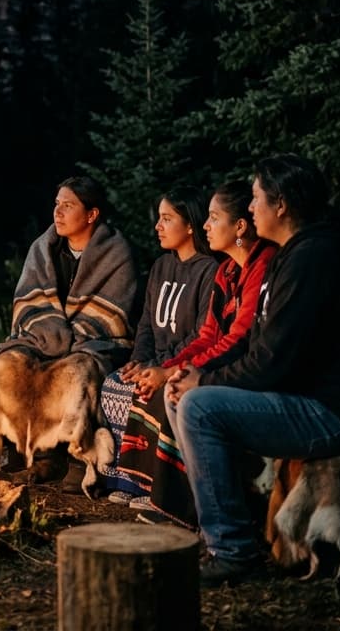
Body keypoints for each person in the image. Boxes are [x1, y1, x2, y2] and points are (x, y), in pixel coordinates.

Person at [167, 154, 340, 587]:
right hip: (310, 396)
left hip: (339, 411)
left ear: (281, 205)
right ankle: (226, 528)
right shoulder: (293, 255)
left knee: (199, 409)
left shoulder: (314, 259)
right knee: (184, 396)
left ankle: (233, 550)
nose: (250, 208)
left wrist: (205, 382)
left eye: (257, 198)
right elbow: (252, 344)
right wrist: (192, 371)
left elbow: (273, 361)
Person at [110, 180, 275, 526]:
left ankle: (183, 507)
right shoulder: (228, 271)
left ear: (240, 226)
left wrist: (172, 373)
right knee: (159, 385)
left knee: (180, 394)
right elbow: (207, 336)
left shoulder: (260, 267)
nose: (206, 226)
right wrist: (163, 368)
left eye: (214, 218)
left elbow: (239, 339)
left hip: (251, 372)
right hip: (222, 364)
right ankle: (155, 492)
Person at [0, 175, 138, 488]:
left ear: (91, 214)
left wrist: (71, 340)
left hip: (95, 340)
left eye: (68, 206)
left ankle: (77, 455)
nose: (57, 212)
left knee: (78, 370)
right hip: (44, 336)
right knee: (7, 364)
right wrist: (51, 335)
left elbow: (113, 312)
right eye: (56, 204)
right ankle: (18, 448)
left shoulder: (115, 252)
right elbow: (29, 301)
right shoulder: (43, 248)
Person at [100, 186, 216, 500]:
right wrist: (139, 360)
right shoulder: (161, 266)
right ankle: (124, 479)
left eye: (167, 219)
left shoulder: (209, 270)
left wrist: (160, 369)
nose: (158, 226)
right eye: (159, 219)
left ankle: (155, 486)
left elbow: (202, 335)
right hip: (155, 361)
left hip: (181, 364)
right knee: (115, 383)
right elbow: (147, 323)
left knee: (153, 391)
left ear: (190, 225)